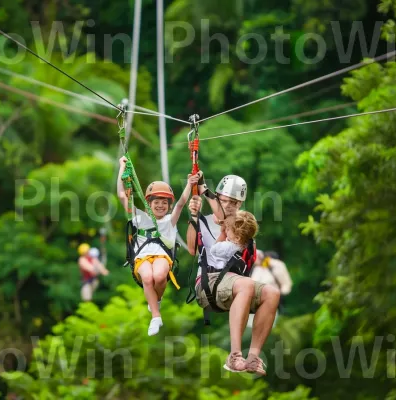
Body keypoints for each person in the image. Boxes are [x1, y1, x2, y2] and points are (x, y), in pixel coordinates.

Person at [187, 175, 280, 374]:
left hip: (233, 283)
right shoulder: (204, 221)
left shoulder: (242, 225)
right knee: (246, 284)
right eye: (224, 200)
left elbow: (228, 221)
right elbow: (191, 249)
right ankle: (234, 356)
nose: (228, 205)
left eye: (234, 202)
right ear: (218, 197)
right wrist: (194, 216)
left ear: (241, 203)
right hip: (209, 283)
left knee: (272, 293)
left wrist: (204, 190)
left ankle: (253, 358)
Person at [117, 156, 201, 336]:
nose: (160, 206)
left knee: (160, 275)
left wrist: (189, 183)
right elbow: (121, 195)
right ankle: (156, 316)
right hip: (142, 257)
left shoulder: (170, 220)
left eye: (164, 203)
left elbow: (181, 203)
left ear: (168, 206)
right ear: (149, 204)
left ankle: (157, 299)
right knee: (148, 277)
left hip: (163, 255)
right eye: (156, 202)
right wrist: (121, 168)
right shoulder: (139, 218)